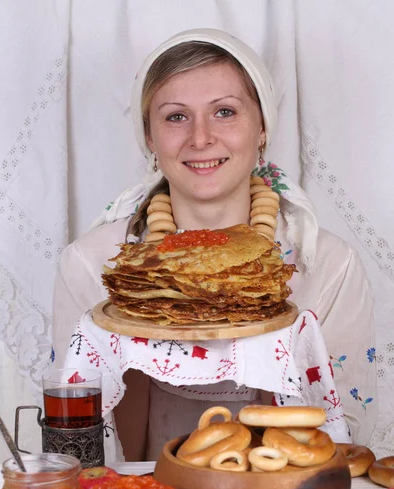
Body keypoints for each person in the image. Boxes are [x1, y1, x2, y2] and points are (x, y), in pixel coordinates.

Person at [52, 29, 378, 461]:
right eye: (175, 116)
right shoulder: (96, 266)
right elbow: (78, 444)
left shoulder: (329, 266)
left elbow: (343, 441)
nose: (201, 138)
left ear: (262, 128)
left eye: (224, 112)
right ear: (149, 138)